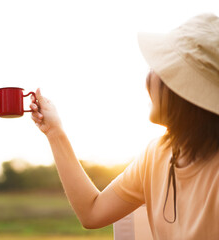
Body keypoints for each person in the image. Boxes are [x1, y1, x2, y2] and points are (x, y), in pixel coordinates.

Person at [30, 13, 219, 239]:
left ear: (183, 90)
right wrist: (55, 132)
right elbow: (92, 212)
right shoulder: (156, 154)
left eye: (160, 67)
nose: (148, 75)